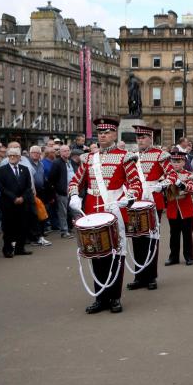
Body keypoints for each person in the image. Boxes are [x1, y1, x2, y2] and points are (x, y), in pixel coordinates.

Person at [68, 117, 143, 314]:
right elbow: (76, 181)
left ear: (114, 134)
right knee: (96, 254)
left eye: (107, 132)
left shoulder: (124, 156)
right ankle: (100, 297)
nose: (102, 135)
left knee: (115, 255)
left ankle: (115, 297)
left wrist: (129, 198)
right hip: (93, 212)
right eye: (100, 132)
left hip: (115, 210)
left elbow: (136, 184)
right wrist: (74, 195)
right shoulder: (89, 158)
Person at [127, 124, 176, 292]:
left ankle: (151, 276)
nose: (140, 140)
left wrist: (161, 185)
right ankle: (139, 276)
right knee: (136, 239)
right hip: (135, 201)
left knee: (151, 239)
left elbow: (172, 175)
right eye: (138, 137)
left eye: (143, 137)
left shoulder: (160, 155)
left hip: (153, 201)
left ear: (150, 138)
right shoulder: (131, 156)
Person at [0, 146, 35, 258]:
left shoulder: (25, 169)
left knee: (22, 226)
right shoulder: (1, 170)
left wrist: (22, 197)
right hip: (8, 203)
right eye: (10, 155)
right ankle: (7, 249)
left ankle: (20, 248)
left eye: (15, 155)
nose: (12, 157)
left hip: (23, 203)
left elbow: (28, 186)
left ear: (19, 157)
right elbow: (1, 187)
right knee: (8, 227)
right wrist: (14, 198)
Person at [164, 151, 193, 266]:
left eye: (178, 161)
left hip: (185, 209)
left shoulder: (188, 174)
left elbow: (191, 188)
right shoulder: (167, 175)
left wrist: (180, 184)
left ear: (184, 162)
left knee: (187, 234)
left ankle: (189, 257)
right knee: (174, 235)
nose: (175, 164)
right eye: (173, 161)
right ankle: (173, 257)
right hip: (173, 209)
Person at [47, 145, 78, 238]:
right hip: (62, 191)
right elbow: (51, 178)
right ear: (60, 153)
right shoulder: (57, 163)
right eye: (64, 151)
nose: (66, 152)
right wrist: (57, 188)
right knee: (63, 212)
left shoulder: (70, 161)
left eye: (68, 150)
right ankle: (64, 232)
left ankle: (71, 228)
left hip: (72, 191)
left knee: (74, 210)